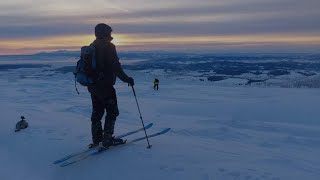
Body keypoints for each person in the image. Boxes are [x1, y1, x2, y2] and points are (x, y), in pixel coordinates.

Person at [88, 23, 134, 149]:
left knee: (97, 112)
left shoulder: (92, 46)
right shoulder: (108, 46)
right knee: (112, 111)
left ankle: (97, 139)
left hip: (93, 86)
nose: (111, 34)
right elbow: (116, 67)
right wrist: (127, 79)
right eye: (109, 32)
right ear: (105, 33)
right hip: (106, 86)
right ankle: (107, 139)